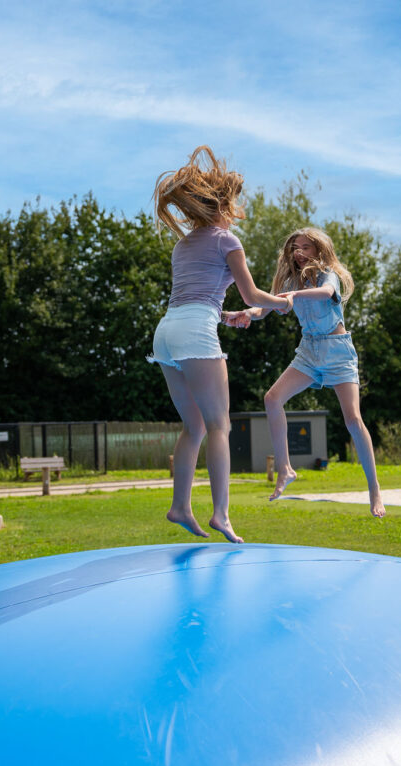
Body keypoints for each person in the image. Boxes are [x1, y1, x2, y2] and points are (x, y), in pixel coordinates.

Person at [148, 146, 293, 543]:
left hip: (167, 331)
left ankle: (179, 505)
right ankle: (222, 515)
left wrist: (223, 315)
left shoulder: (183, 245)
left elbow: (198, 296)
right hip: (194, 330)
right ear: (223, 206)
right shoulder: (227, 240)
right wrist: (282, 303)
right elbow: (250, 294)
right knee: (219, 426)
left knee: (193, 426)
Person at [231, 227, 385, 517]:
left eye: (305, 247)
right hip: (309, 352)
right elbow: (264, 308)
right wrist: (246, 314)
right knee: (272, 398)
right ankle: (285, 468)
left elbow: (325, 293)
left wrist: (292, 294)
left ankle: (374, 489)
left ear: (318, 251)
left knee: (353, 419)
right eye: (295, 248)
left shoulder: (328, 275)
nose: (298, 252)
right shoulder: (289, 281)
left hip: (337, 350)